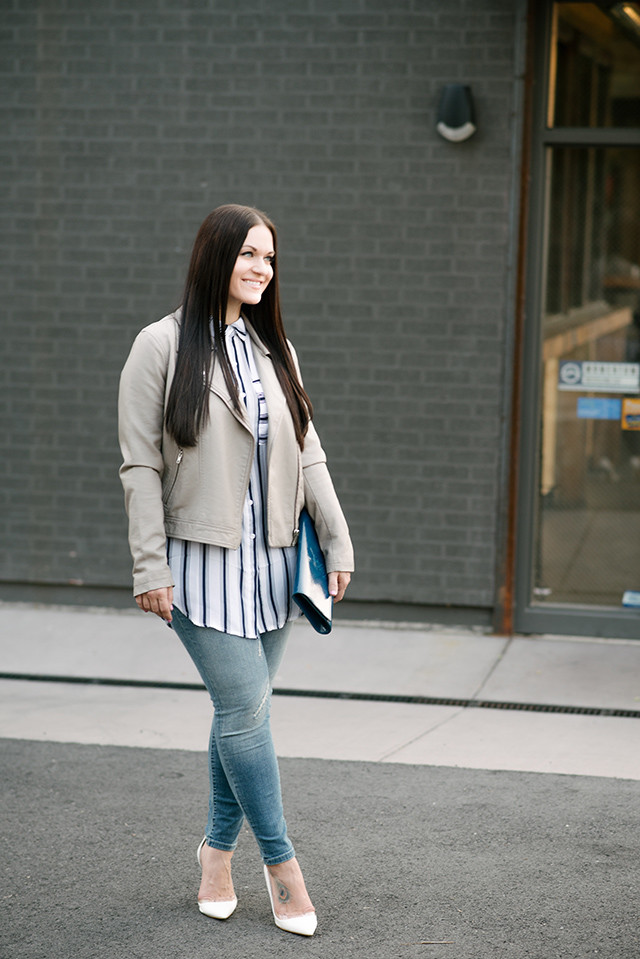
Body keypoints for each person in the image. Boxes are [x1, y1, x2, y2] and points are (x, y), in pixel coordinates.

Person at [118, 204, 354, 937]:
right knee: (248, 710)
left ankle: (215, 853)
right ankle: (282, 866)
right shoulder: (159, 345)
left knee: (239, 712)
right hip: (196, 564)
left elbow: (308, 450)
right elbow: (140, 463)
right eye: (250, 253)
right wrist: (147, 564)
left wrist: (337, 540)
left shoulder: (274, 345)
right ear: (216, 255)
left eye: (270, 258)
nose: (261, 268)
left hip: (276, 562)